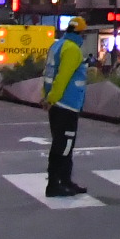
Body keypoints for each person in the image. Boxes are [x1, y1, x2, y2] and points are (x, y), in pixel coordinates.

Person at [43, 25, 90, 198]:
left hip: (57, 105)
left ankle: (64, 181)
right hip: (67, 104)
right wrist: (52, 98)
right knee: (63, 146)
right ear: (79, 33)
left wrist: (48, 97)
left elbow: (48, 74)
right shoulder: (72, 49)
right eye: (83, 34)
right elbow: (63, 77)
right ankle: (55, 184)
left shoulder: (57, 45)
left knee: (62, 144)